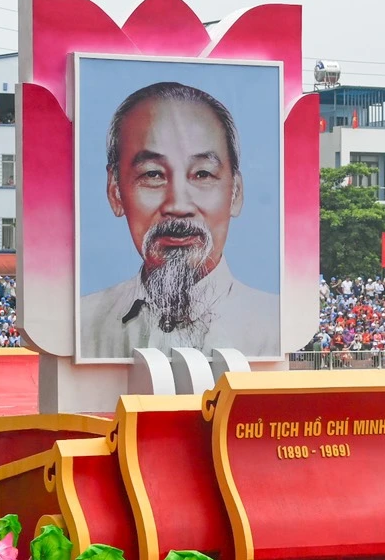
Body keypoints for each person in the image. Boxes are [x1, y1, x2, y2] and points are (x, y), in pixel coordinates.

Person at [79, 81, 279, 359]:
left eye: (202, 174)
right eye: (152, 174)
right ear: (115, 190)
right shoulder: (84, 326)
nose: (178, 205)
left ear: (235, 192)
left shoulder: (274, 327)